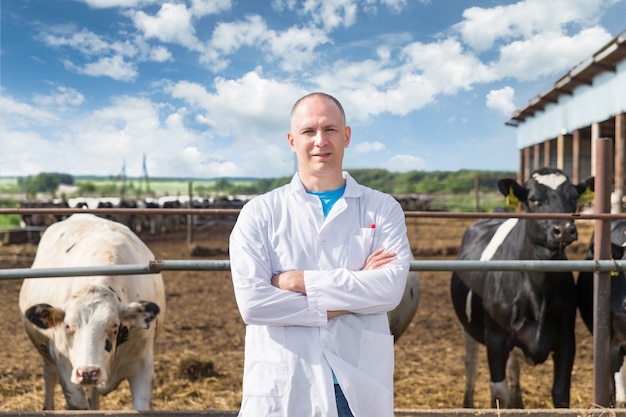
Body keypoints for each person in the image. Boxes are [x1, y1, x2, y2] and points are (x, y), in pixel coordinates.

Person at [229, 92, 411, 417]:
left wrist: (297, 280)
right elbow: (253, 304)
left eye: (329, 129)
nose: (319, 141)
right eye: (308, 131)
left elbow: (389, 290)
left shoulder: (383, 208)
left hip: (355, 385)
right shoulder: (259, 212)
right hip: (284, 384)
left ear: (347, 136)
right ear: (291, 140)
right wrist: (351, 297)